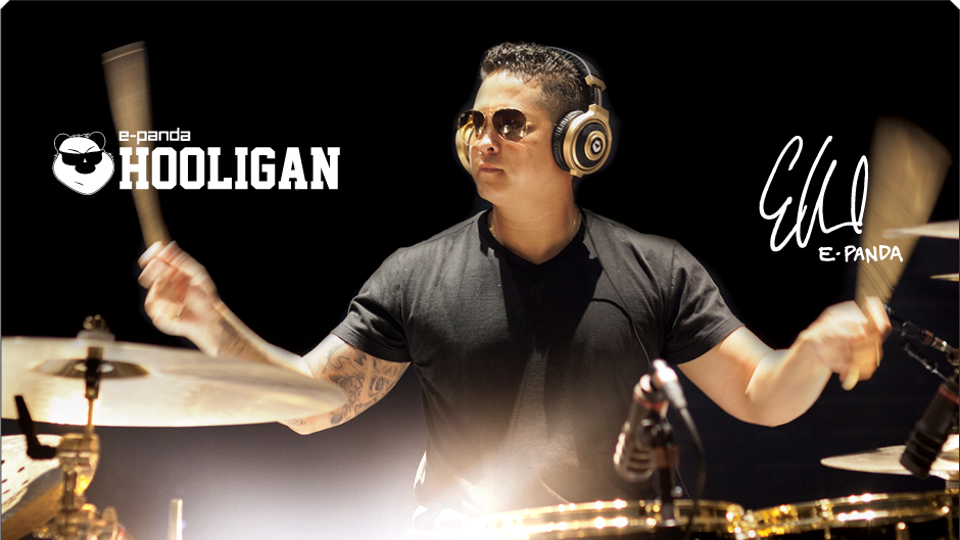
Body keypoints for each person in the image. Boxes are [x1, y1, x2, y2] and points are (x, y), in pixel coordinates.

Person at [137, 42, 890, 532]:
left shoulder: (657, 268)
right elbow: (310, 405)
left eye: (509, 124)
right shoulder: (416, 273)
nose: (482, 140)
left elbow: (761, 395)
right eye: (474, 121)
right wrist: (209, 321)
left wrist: (814, 349)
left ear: (579, 145)